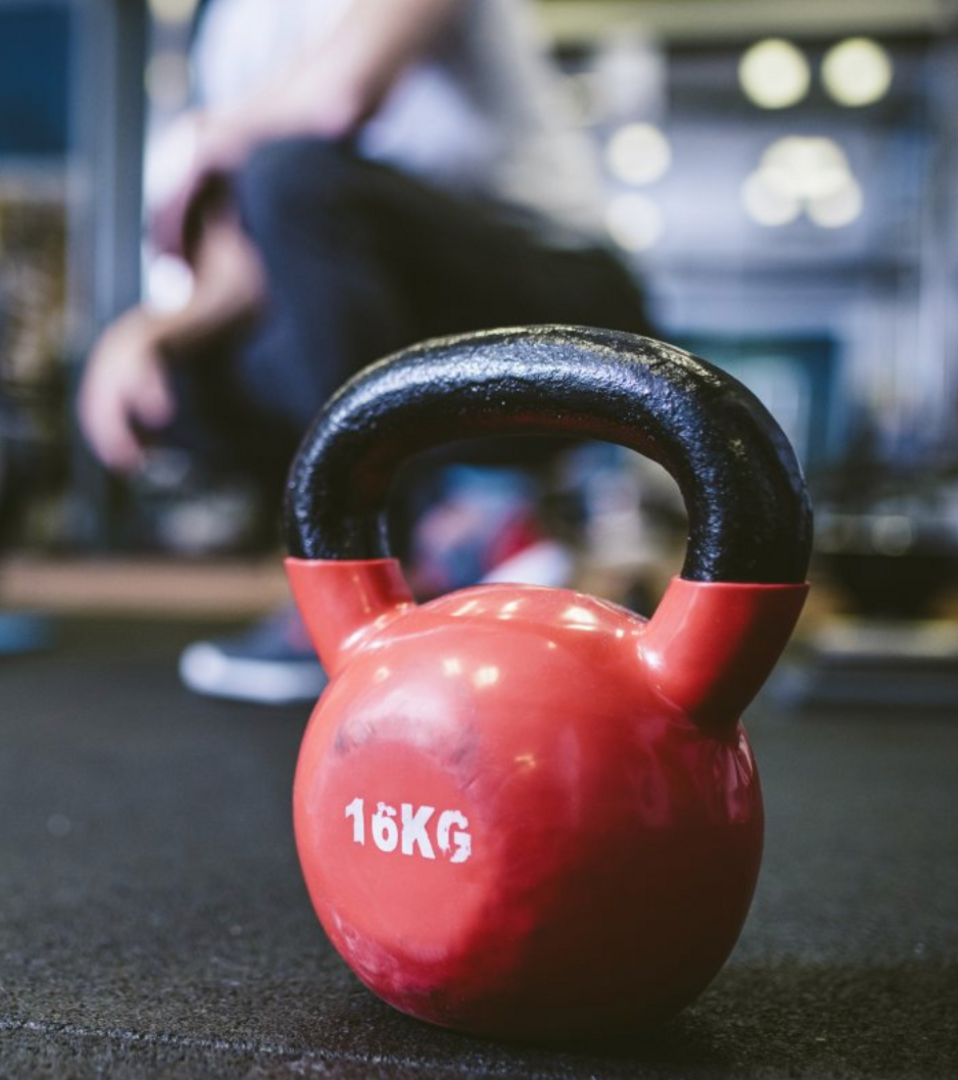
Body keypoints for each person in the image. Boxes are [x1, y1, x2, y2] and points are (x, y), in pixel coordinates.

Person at [78, 0, 657, 704]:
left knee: (288, 176)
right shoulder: (228, 25)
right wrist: (146, 332)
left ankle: (392, 561)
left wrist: (209, 137)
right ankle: (444, 533)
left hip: (554, 300)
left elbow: (337, 100)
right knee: (182, 375)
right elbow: (249, 262)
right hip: (383, 309)